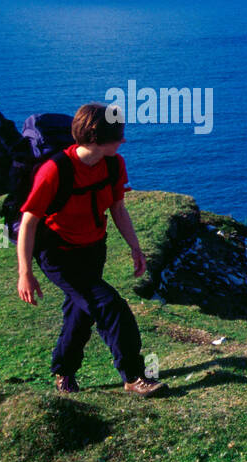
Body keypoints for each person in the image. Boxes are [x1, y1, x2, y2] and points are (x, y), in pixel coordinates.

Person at [15, 103, 164, 396]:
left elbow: (118, 208)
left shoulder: (113, 164)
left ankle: (63, 373)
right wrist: (25, 273)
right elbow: (29, 221)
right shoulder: (53, 171)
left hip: (93, 248)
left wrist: (135, 248)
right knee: (111, 306)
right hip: (58, 254)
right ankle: (134, 377)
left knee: (81, 313)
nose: (123, 140)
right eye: (118, 134)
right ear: (96, 138)